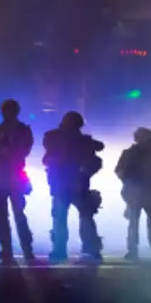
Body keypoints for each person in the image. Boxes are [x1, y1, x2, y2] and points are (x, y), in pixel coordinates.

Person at [42, 111, 105, 262]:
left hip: (63, 184)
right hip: (78, 184)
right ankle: (90, 249)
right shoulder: (82, 141)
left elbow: (47, 159)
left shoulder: (54, 138)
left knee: (60, 219)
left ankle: (60, 251)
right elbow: (99, 149)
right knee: (85, 217)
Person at [0, 99, 35, 263]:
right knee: (6, 214)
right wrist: (0, 146)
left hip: (13, 173)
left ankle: (22, 249)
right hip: (5, 173)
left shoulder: (19, 130)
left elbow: (26, 149)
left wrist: (7, 148)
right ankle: (12, 249)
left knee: (15, 214)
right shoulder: (1, 130)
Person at [115, 127, 151, 261]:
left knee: (135, 222)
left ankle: (135, 251)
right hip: (150, 191)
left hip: (139, 192)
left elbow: (119, 171)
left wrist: (127, 183)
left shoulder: (130, 152)